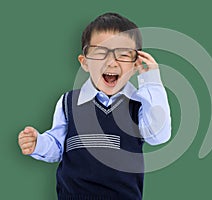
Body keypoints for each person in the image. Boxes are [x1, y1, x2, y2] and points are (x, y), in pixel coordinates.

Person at [18, 12, 171, 200]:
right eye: (100, 53)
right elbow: (57, 145)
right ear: (85, 62)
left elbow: (159, 135)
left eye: (123, 55)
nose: (112, 62)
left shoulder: (138, 106)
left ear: (135, 64)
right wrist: (38, 144)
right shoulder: (68, 102)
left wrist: (151, 80)